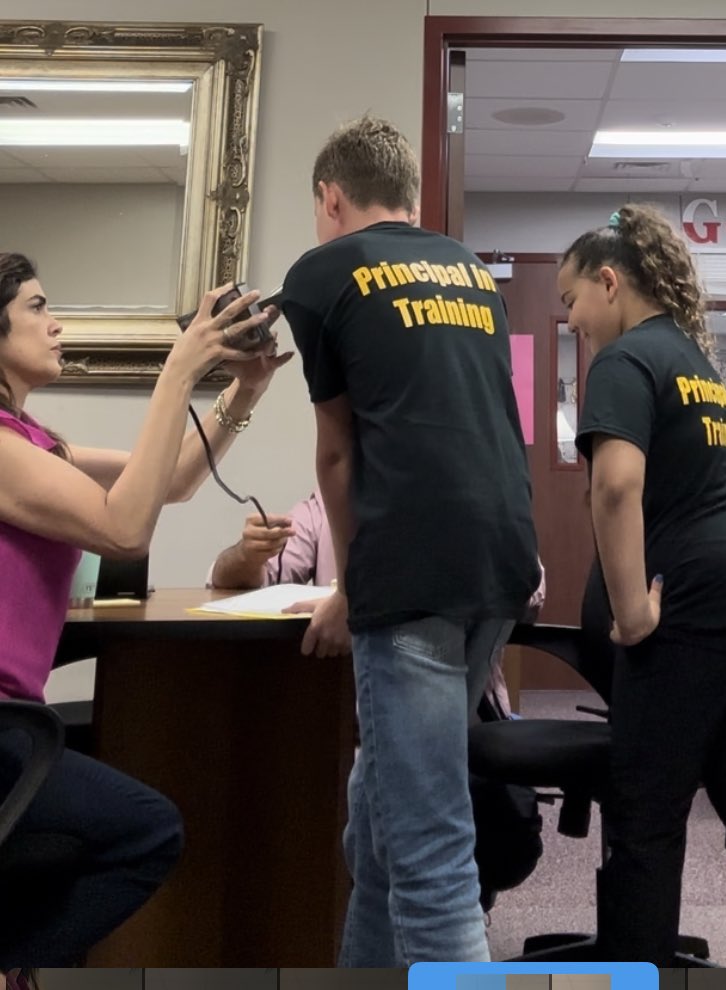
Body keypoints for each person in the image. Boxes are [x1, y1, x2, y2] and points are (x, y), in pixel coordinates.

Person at [278, 115, 540, 965]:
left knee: (428, 854)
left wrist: (351, 589)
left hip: (413, 572)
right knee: (379, 833)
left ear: (330, 195)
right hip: (503, 562)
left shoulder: (321, 271)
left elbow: (338, 450)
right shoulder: (468, 269)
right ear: (412, 197)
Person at [0, 251, 291, 968]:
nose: (56, 322)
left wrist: (243, 391)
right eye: (37, 307)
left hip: (14, 721)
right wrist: (178, 369)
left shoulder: (42, 445)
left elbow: (175, 480)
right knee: (146, 832)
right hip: (2, 727)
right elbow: (123, 529)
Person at [559, 204, 726, 966]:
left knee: (646, 815)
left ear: (609, 283)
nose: (571, 321)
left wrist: (635, 612)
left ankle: (637, 973)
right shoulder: (697, 366)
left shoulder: (625, 360)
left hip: (692, 612)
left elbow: (615, 486)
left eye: (571, 301)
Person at [207, 490, 545, 716]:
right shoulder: (329, 504)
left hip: (449, 707)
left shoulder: (455, 494)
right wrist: (246, 556)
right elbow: (236, 580)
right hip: (344, 707)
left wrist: (362, 602)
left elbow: (528, 586)